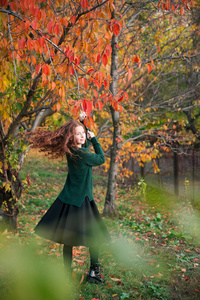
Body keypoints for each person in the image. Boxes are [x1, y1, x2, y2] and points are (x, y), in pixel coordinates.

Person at [28, 112, 110, 284]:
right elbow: (101, 158)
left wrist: (82, 121)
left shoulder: (72, 150)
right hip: (83, 200)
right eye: (78, 134)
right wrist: (94, 139)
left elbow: (82, 143)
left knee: (68, 239)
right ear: (71, 138)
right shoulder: (84, 154)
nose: (82, 136)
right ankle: (94, 272)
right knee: (94, 236)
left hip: (70, 199)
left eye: (82, 133)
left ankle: (67, 273)